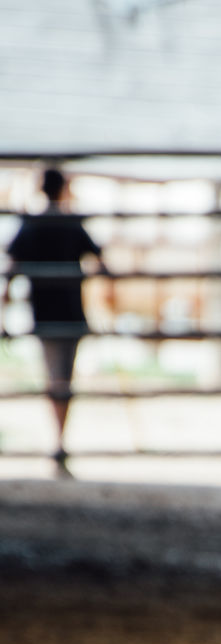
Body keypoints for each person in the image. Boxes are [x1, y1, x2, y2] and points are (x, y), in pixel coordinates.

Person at [4, 167, 107, 477]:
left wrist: (5, 307)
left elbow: (11, 268)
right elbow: (100, 261)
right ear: (64, 188)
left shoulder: (30, 224)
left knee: (54, 377)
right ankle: (60, 443)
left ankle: (58, 443)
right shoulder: (72, 222)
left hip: (43, 311)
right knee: (65, 378)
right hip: (72, 310)